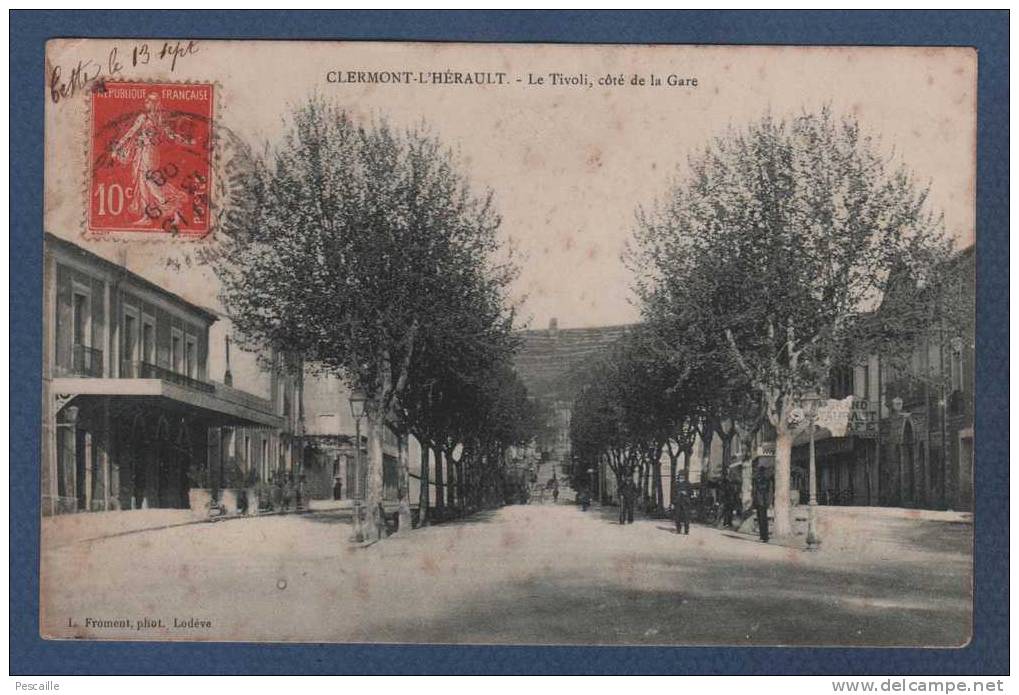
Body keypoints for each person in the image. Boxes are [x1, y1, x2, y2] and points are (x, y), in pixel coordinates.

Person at [753, 465, 771, 543]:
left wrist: (768, 502)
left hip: (762, 502)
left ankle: (764, 536)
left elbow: (767, 492)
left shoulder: (763, 481)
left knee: (763, 520)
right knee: (762, 519)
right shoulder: (760, 480)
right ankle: (763, 536)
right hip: (761, 502)